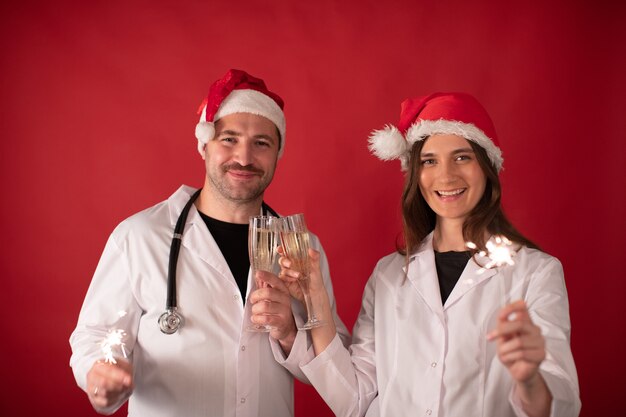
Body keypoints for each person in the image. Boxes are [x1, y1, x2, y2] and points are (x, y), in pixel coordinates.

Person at [278, 93, 581, 416]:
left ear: (487, 167)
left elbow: (561, 405)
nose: (446, 176)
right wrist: (317, 302)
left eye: (463, 157)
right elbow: (355, 400)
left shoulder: (536, 273)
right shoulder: (389, 275)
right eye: (430, 160)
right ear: (416, 174)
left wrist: (530, 379)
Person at [69, 69, 349, 417]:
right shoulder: (139, 236)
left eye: (261, 143)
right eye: (228, 139)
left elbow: (337, 373)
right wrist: (101, 375)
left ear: (279, 152)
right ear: (204, 145)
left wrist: (290, 334)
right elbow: (96, 336)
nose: (244, 158)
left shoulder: (300, 249)